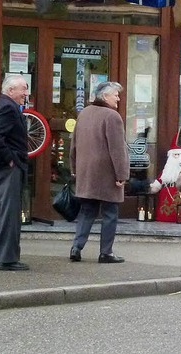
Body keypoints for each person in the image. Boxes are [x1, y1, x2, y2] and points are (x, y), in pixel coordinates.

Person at [69, 81, 129, 264]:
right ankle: (106, 253)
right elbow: (117, 149)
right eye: (115, 95)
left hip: (86, 172)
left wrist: (74, 169)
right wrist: (122, 175)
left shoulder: (84, 113)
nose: (118, 98)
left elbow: (74, 145)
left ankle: (76, 247)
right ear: (104, 96)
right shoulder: (112, 116)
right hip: (106, 173)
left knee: (87, 211)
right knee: (110, 213)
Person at [0, 75, 30, 271]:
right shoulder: (8, 107)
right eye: (23, 89)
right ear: (10, 91)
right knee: (9, 214)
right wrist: (10, 158)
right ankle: (7, 259)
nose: (26, 93)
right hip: (7, 168)